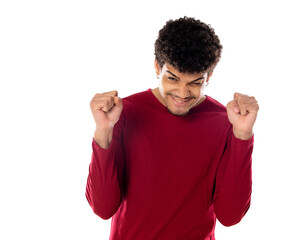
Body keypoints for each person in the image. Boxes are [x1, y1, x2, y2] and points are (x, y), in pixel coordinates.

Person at [86, 16, 259, 240]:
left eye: (195, 82)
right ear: (158, 66)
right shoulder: (122, 113)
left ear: (210, 76)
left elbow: (230, 215)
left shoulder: (226, 122)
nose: (182, 93)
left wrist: (243, 135)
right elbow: (103, 208)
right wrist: (103, 131)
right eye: (173, 78)